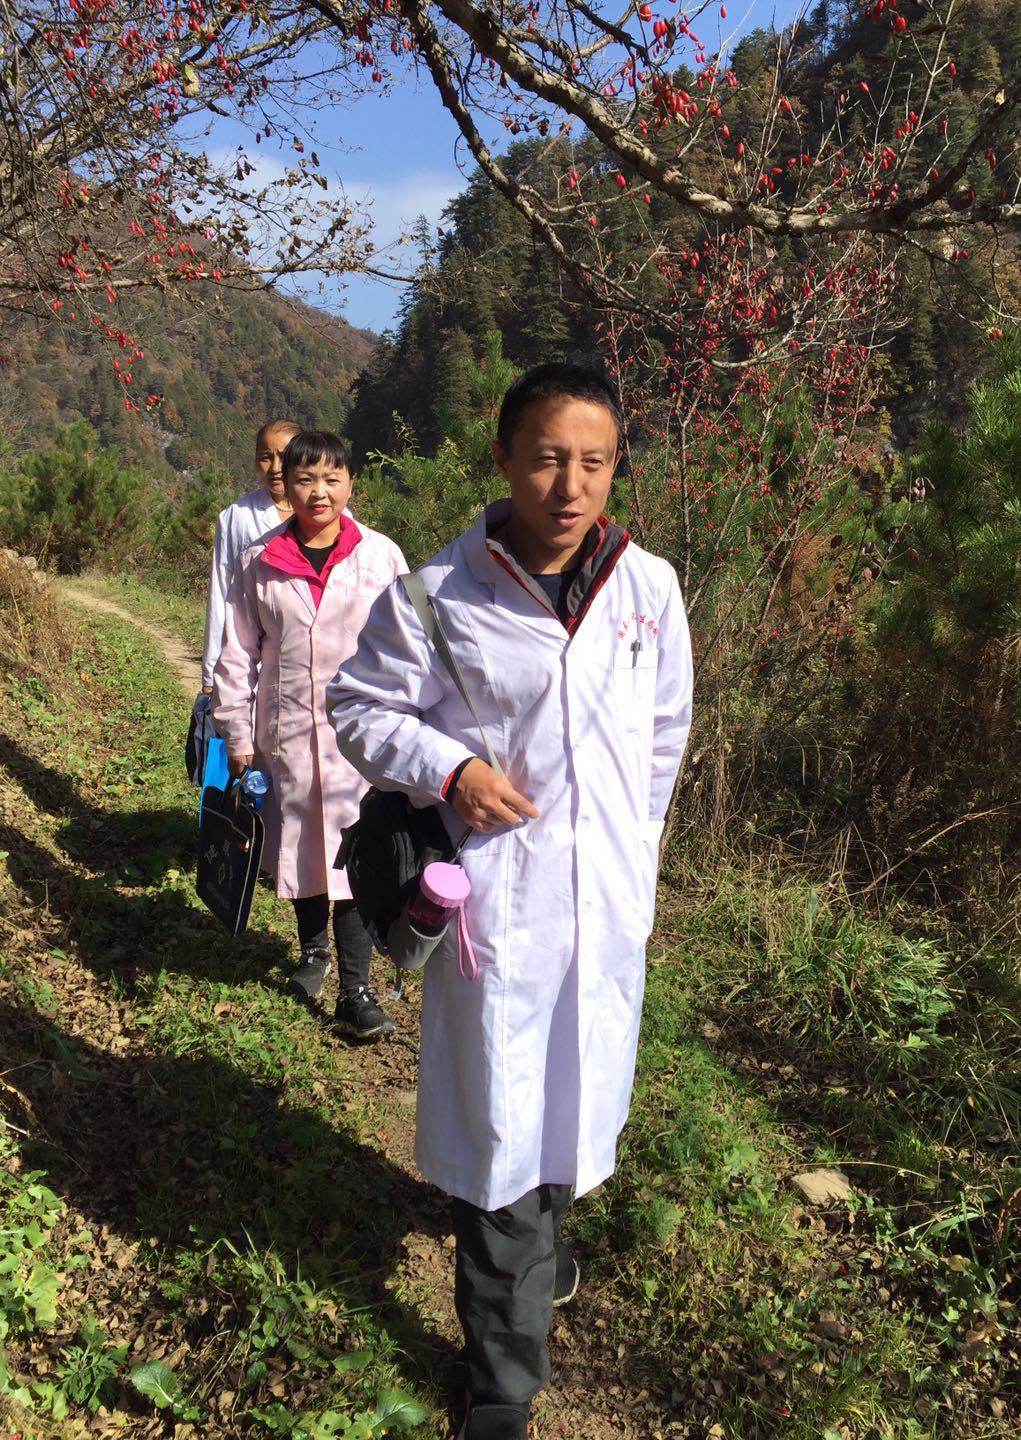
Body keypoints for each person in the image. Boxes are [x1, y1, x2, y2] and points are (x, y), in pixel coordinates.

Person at [326, 364, 694, 1439]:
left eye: (593, 462)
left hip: (604, 906)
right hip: (500, 905)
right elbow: (359, 706)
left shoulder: (648, 590)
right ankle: (501, 1382)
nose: (569, 486)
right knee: (498, 1131)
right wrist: (449, 770)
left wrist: (639, 860)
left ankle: (540, 1245)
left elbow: (664, 738)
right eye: (545, 458)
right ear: (503, 459)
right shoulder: (438, 594)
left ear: (615, 469)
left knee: (572, 1105)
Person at [212, 429, 408, 1037]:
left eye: (331, 479)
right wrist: (236, 736)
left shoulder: (381, 557)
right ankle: (313, 951)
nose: (318, 492)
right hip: (288, 726)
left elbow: (410, 647)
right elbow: (237, 654)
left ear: (350, 484)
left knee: (351, 852)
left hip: (361, 730)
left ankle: (356, 989)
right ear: (286, 486)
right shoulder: (259, 561)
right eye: (305, 479)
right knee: (298, 843)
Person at [200, 418, 303, 696]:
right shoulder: (237, 517)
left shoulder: (327, 513)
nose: (275, 467)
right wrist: (211, 670)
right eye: (265, 457)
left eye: (284, 456)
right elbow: (221, 590)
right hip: (249, 653)